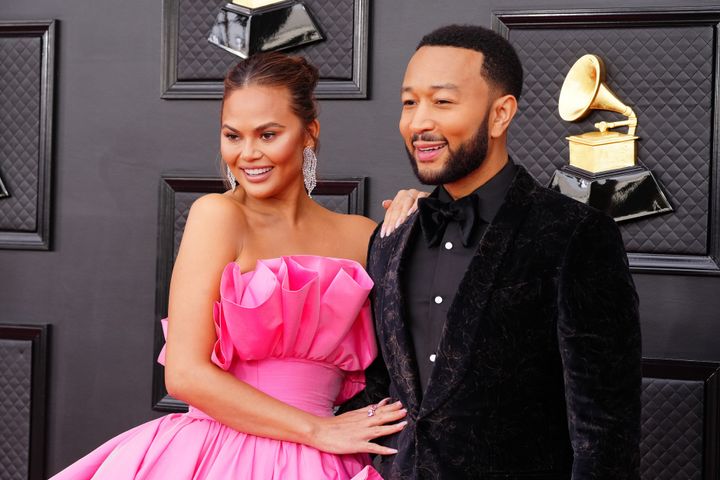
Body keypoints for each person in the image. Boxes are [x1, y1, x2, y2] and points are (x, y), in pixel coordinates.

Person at [50, 52, 411, 480]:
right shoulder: (219, 216)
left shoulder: (362, 235)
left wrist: (422, 215)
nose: (248, 154)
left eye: (268, 134)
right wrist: (318, 430)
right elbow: (184, 374)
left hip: (329, 458)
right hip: (226, 452)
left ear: (309, 133)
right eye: (232, 136)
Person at [355, 25, 642, 479]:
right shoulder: (391, 236)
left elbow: (604, 432)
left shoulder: (575, 235)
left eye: (442, 101)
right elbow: (380, 391)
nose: (418, 122)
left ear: (500, 114)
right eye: (410, 102)